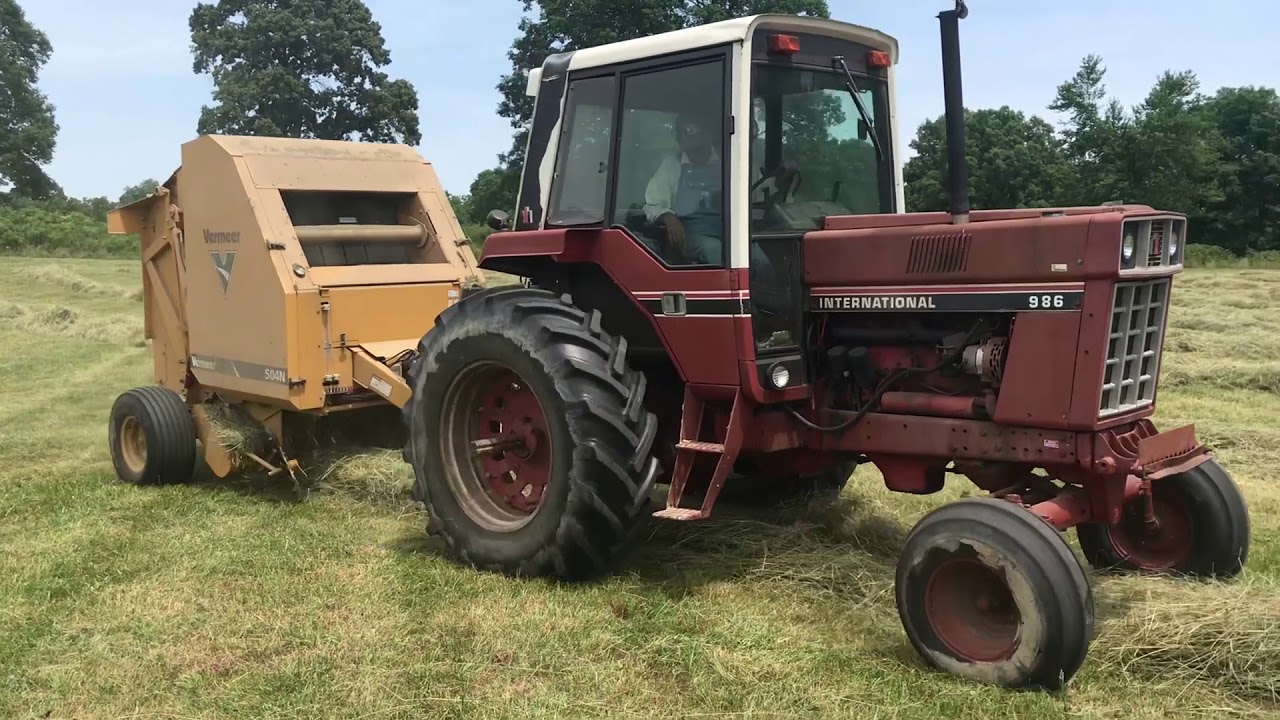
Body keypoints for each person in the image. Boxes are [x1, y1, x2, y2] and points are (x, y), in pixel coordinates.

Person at [642, 113, 724, 265]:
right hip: (690, 235)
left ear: (708, 135)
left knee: (758, 257)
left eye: (691, 131)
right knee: (714, 249)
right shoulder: (672, 165)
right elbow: (652, 205)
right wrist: (669, 217)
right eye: (681, 133)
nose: (685, 137)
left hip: (730, 233)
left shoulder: (730, 162)